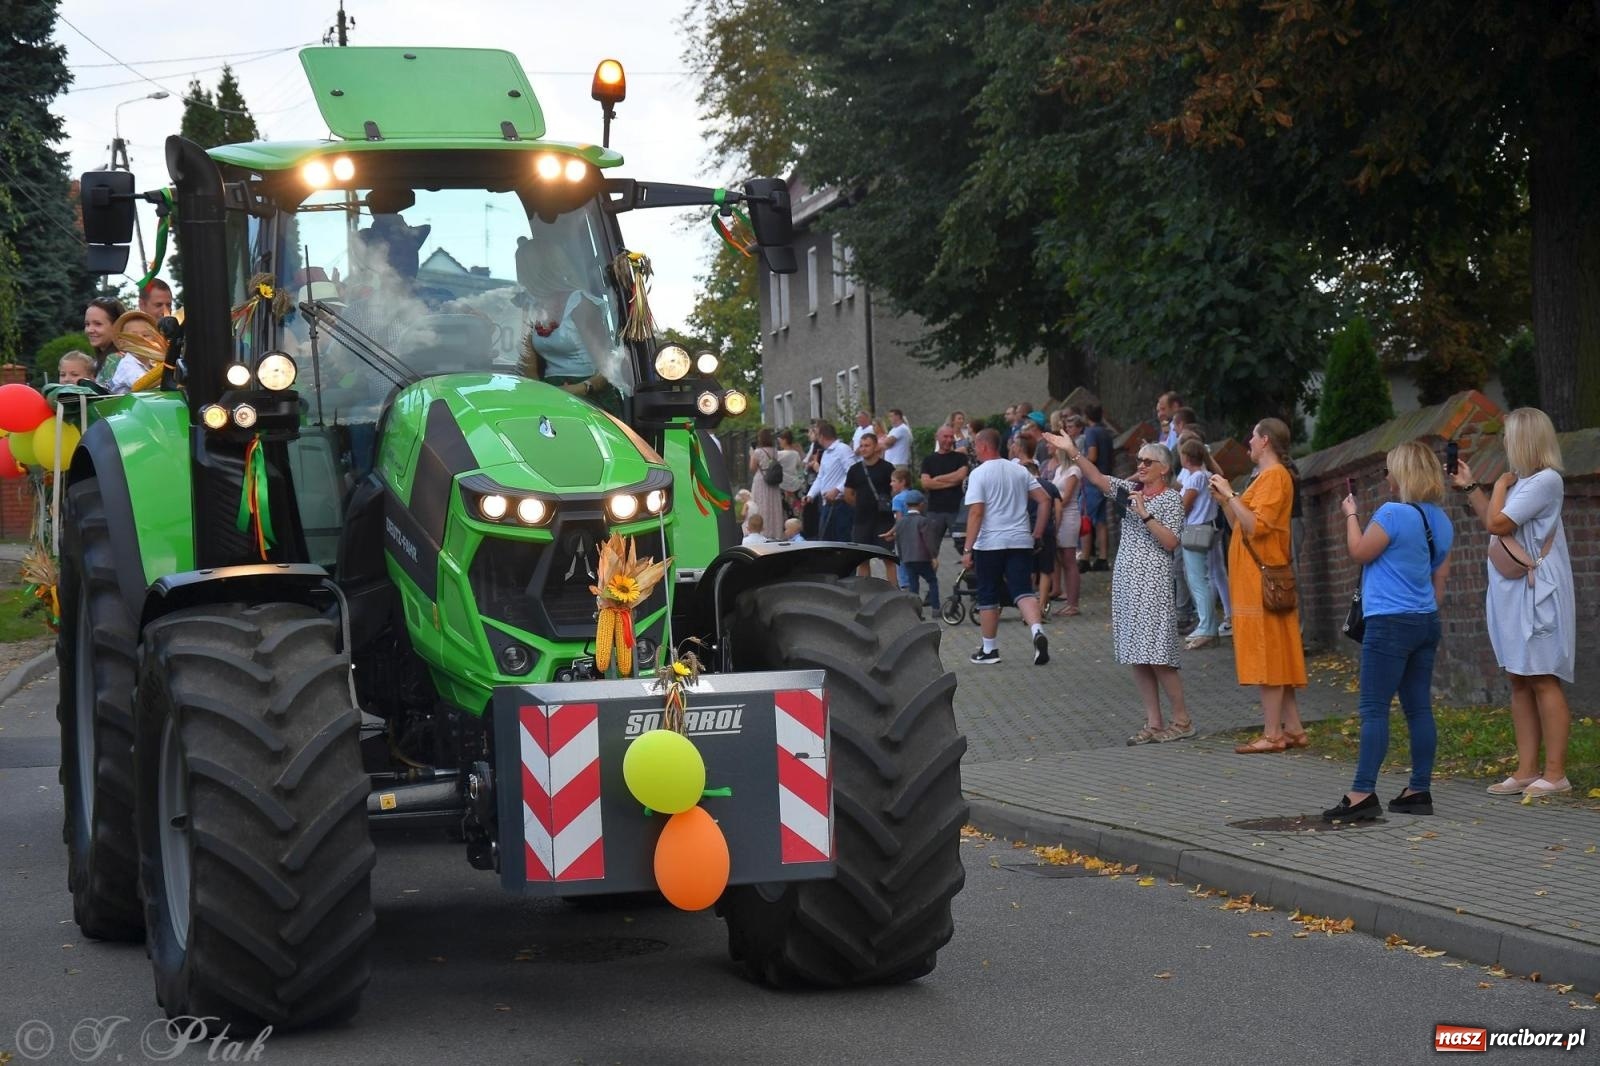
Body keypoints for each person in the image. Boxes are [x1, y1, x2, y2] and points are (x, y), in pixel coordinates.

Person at [1325, 440, 1455, 822]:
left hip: (1389, 623)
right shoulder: (1441, 521)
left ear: (1403, 475)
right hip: (1425, 621)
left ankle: (1362, 793)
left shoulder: (1392, 513)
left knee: (1373, 709)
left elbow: (1360, 551)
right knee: (1418, 708)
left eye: (1389, 470)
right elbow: (1440, 580)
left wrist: (1351, 514)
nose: (1386, 477)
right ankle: (1418, 789)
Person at [1453, 408, 1576, 798]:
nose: (1504, 443)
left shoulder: (1545, 481)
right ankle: (1526, 770)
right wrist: (1473, 488)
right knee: (1519, 678)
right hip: (1513, 591)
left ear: (1524, 439)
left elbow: (1498, 524)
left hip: (1537, 594)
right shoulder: (1524, 483)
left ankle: (1556, 774)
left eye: (1508, 436)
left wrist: (1501, 484)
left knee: (1542, 677)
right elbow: (1493, 518)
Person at [1047, 431, 1193, 743]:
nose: (1141, 466)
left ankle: (1182, 721)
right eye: (1139, 461)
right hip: (1128, 581)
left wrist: (1145, 514)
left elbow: (1170, 542)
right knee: (1137, 653)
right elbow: (1098, 478)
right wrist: (1074, 452)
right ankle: (1154, 722)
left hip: (1153, 582)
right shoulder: (1130, 490)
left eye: (1148, 462)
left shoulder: (1170, 499)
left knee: (1159, 653)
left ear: (1164, 469)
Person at [1210, 418, 1307, 753]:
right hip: (1254, 578)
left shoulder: (1276, 477)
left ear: (1265, 440)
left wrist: (1230, 494)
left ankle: (1272, 733)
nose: (1248, 442)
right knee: (1276, 652)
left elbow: (1256, 527)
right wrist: (1225, 500)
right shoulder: (1264, 478)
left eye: (1252, 436)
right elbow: (1238, 521)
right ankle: (1292, 728)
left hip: (1261, 579)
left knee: (1268, 656)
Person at [962, 428, 1050, 666]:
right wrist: (1037, 533)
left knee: (988, 593)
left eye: (974, 447)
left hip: (990, 543)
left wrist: (968, 548)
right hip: (1020, 539)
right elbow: (1044, 499)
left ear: (982, 446)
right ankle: (1037, 631)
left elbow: (976, 512)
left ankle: (990, 649)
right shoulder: (1019, 470)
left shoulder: (979, 474)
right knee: (1023, 590)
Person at [1177, 438, 1222, 649]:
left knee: (1197, 580)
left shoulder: (1195, 478)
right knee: (1201, 577)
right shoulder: (1207, 475)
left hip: (1195, 530)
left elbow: (1184, 506)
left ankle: (1206, 626)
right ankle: (1208, 624)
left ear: (1186, 457)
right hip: (1206, 528)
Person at [844, 431, 895, 579]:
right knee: (862, 559)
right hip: (861, 520)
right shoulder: (855, 470)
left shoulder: (887, 468)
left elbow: (894, 491)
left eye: (867, 445)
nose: (863, 449)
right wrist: (860, 505)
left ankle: (893, 591)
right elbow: (848, 494)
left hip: (883, 521)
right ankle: (865, 592)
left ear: (875, 447)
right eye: (861, 446)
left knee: (888, 558)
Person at [921, 423, 970, 555]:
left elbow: (961, 476)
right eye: (945, 437)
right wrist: (951, 482)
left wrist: (936, 479)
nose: (949, 440)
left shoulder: (960, 458)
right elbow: (925, 484)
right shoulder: (928, 460)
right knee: (930, 552)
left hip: (956, 511)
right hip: (934, 511)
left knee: (964, 548)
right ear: (937, 437)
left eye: (951, 437)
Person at [886, 490, 939, 612]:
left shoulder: (900, 522)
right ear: (921, 504)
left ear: (906, 505)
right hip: (922, 558)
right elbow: (928, 541)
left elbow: (898, 541)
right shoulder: (923, 521)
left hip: (907, 558)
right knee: (932, 580)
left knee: (913, 585)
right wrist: (933, 556)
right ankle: (936, 608)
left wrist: (902, 556)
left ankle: (916, 611)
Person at [1050, 425, 1082, 618]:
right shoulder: (1060, 469)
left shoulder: (1074, 471)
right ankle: (1068, 599)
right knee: (1061, 559)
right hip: (1058, 514)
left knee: (1069, 560)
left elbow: (1067, 496)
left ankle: (1073, 603)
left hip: (1068, 516)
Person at [806, 420, 856, 542]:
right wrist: (811, 494)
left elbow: (852, 472)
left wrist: (837, 489)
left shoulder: (842, 449)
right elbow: (821, 477)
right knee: (826, 538)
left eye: (817, 435)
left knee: (842, 538)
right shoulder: (827, 453)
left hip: (840, 502)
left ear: (822, 436)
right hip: (826, 502)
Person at [1080, 404, 1116, 571]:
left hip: (1092, 481)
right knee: (1101, 521)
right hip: (1105, 478)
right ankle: (1102, 557)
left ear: (1087, 416)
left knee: (1086, 518)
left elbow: (1092, 455)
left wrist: (1080, 460)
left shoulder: (1091, 432)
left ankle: (1085, 557)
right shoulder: (1106, 433)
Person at [107, 311, 165, 394]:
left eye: (146, 335)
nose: (141, 340)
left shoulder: (153, 363)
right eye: (134, 337)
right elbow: (142, 385)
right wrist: (167, 369)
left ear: (155, 339)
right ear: (122, 342)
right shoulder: (127, 365)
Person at [748, 428, 785, 533]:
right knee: (773, 506)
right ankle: (775, 531)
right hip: (772, 481)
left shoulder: (758, 452)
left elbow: (752, 468)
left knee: (760, 505)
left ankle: (761, 530)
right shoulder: (774, 451)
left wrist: (751, 455)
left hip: (761, 480)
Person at [82, 296, 126, 384]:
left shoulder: (116, 360)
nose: (90, 330)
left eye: (98, 324)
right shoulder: (98, 361)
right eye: (87, 324)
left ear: (117, 326)